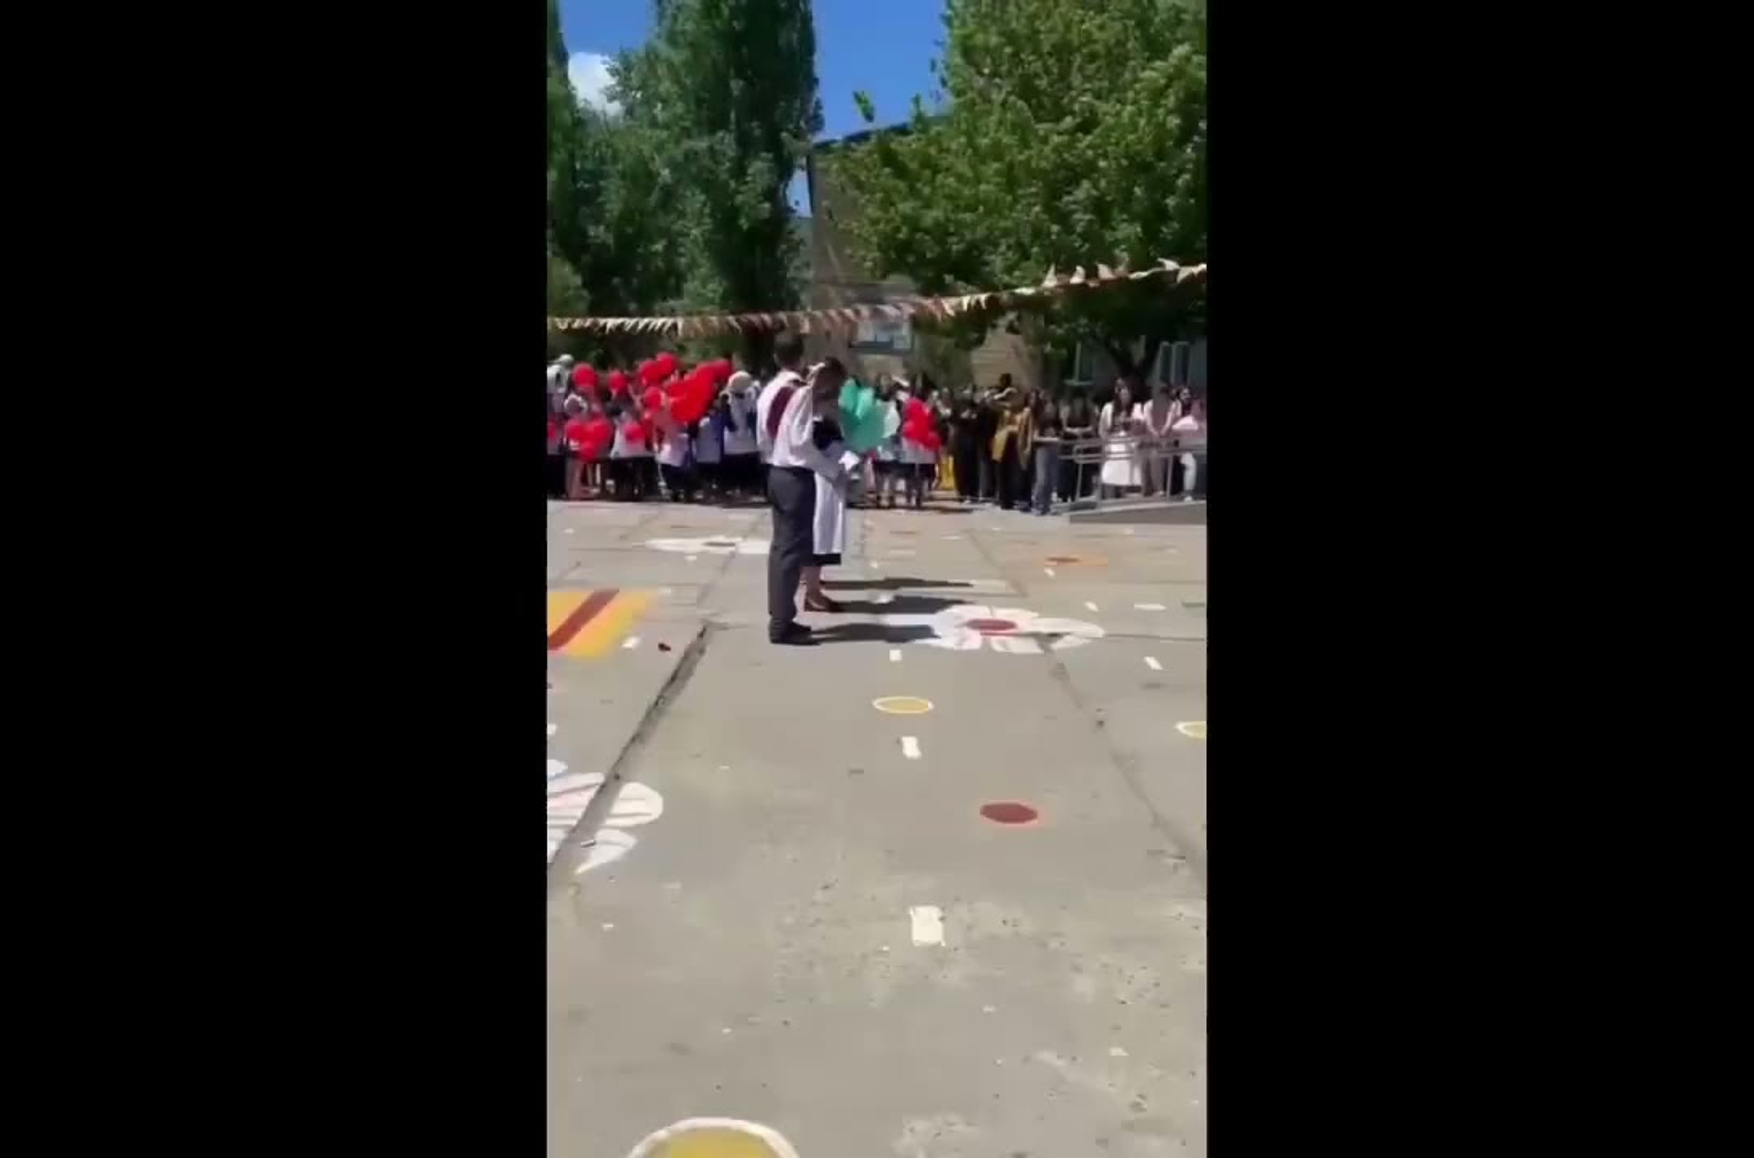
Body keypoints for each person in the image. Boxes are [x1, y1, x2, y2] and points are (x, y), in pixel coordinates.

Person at [757, 333, 851, 645]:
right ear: (801, 356)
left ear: (775, 357)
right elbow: (800, 443)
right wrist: (832, 470)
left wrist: (773, 459)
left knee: (780, 550)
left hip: (774, 470)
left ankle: (782, 614)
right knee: (791, 551)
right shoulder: (799, 392)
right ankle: (781, 624)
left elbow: (763, 436)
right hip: (795, 475)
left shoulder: (769, 389)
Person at [804, 359, 858, 610]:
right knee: (818, 534)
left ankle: (813, 586)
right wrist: (839, 464)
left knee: (822, 533)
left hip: (829, 476)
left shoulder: (824, 419)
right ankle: (812, 591)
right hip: (820, 478)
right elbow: (813, 448)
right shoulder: (812, 418)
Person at [1098, 378, 1145, 497]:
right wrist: (1105, 444)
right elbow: (1102, 429)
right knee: (1108, 475)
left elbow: (1141, 424)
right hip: (1112, 444)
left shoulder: (1136, 408)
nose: (1126, 396)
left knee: (1126, 478)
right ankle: (1109, 500)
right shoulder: (1108, 407)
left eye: (1128, 393)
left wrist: (1131, 421)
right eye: (1123, 393)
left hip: (1129, 446)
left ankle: (1122, 499)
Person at [722, 357, 761, 498]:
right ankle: (737, 488)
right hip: (733, 436)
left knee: (747, 462)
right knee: (736, 463)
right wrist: (735, 429)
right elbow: (727, 417)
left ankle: (747, 488)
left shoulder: (749, 395)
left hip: (747, 437)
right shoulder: (726, 397)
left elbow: (752, 413)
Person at [991, 387, 1033, 510]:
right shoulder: (1005, 409)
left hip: (1018, 444)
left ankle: (1020, 498)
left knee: (1017, 473)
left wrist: (1028, 446)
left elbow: (1029, 430)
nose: (1013, 399)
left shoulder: (1025, 411)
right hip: (1003, 443)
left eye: (1016, 396)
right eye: (1011, 396)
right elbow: (990, 402)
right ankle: (1005, 501)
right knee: (1002, 472)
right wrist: (1002, 394)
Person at [1142, 381, 1182, 495]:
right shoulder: (1148, 405)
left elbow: (1169, 420)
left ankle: (1161, 488)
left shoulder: (1172, 405)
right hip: (1150, 439)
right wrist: (1155, 433)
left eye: (1164, 391)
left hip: (1166, 439)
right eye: (1160, 391)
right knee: (1149, 463)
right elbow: (1148, 423)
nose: (1162, 394)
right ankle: (1150, 488)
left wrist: (1163, 432)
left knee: (1162, 463)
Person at [1059, 392, 1097, 502]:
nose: (1078, 403)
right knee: (1068, 472)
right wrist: (1074, 431)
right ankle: (1066, 495)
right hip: (1070, 445)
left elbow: (1092, 426)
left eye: (1080, 401)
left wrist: (1082, 431)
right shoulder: (1067, 410)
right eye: (1076, 401)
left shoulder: (1088, 411)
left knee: (1082, 472)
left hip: (1083, 445)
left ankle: (1079, 495)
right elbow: (1064, 427)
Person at [1030, 397, 1063, 516]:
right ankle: (1037, 504)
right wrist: (1050, 439)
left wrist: (1057, 441)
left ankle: (1047, 506)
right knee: (1042, 480)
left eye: (1053, 408)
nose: (1051, 410)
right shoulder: (1041, 421)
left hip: (1054, 451)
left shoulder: (1057, 423)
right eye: (1049, 407)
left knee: (1051, 480)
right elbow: (1035, 438)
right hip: (1042, 451)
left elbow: (1061, 436)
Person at [974, 381, 1003, 501]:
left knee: (995, 467)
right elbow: (977, 426)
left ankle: (995, 492)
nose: (992, 397)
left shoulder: (998, 410)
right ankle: (986, 492)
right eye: (990, 395)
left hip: (997, 440)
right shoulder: (982, 410)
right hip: (983, 441)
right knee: (985, 467)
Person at [692, 404, 723, 501]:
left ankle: (707, 494)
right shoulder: (716, 420)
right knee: (709, 475)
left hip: (705, 453)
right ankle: (708, 494)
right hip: (712, 453)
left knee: (706, 476)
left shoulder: (701, 421)